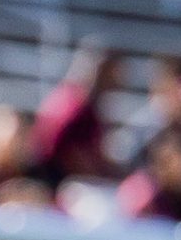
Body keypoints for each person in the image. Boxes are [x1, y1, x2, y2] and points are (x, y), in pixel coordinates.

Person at [25, 48, 121, 191]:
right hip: (52, 183)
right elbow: (71, 157)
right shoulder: (75, 105)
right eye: (113, 74)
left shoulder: (79, 101)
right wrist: (105, 179)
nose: (117, 82)